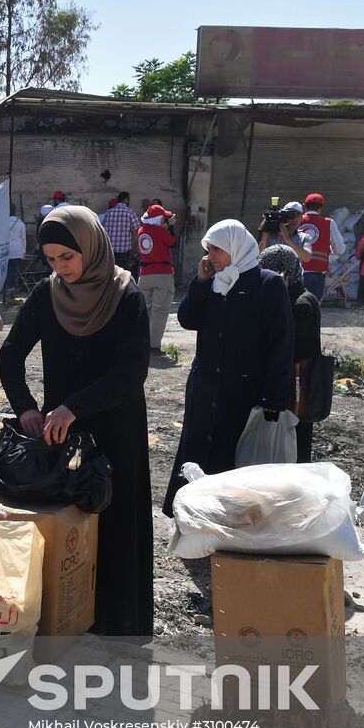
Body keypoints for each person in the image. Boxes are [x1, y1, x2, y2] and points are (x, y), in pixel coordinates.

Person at [0, 205, 154, 637]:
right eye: (51, 259)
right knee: (70, 527)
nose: (60, 267)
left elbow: (131, 372)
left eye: (67, 256)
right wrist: (26, 407)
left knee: (117, 521)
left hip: (116, 429)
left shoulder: (125, 294)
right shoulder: (47, 295)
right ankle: (69, 616)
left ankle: (119, 623)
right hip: (64, 436)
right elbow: (10, 356)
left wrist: (74, 406)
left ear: (90, 245)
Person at [162, 219, 293, 515]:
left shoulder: (267, 284)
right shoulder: (213, 282)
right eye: (208, 249)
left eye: (217, 250)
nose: (210, 256)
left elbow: (281, 342)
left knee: (231, 459)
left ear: (236, 248)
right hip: (205, 388)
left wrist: (274, 396)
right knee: (197, 454)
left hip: (243, 392)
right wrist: (200, 282)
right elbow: (188, 320)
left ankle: (227, 523)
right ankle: (191, 516)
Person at [259, 245, 320, 463]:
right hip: (292, 384)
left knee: (295, 444)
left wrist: (279, 297)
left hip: (297, 386)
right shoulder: (296, 297)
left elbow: (285, 335)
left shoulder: (302, 303)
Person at [136, 204, 178, 353]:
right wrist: (170, 226)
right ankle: (154, 346)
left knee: (145, 311)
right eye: (163, 218)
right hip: (162, 273)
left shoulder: (141, 231)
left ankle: (142, 343)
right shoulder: (161, 231)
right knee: (159, 311)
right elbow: (173, 242)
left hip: (144, 274)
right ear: (158, 219)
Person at [296, 193, 346, 300]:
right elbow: (340, 249)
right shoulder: (328, 223)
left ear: (304, 206)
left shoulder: (296, 221)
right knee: (312, 307)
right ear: (320, 209)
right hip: (316, 274)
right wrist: (329, 258)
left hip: (295, 274)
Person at [100, 192, 141, 277]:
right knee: (123, 277)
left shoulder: (109, 212)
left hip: (110, 252)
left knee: (112, 276)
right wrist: (135, 249)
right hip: (124, 254)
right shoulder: (130, 212)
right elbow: (136, 233)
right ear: (126, 200)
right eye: (129, 199)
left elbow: (103, 231)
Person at [3, 208, 26, 301]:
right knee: (13, 270)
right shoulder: (20, 223)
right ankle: (11, 288)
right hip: (17, 249)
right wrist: (24, 251)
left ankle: (4, 288)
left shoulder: (3, 222)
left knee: (4, 270)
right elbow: (23, 239)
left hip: (5, 249)